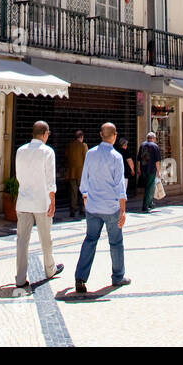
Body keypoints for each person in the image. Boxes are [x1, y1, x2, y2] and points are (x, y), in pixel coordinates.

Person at [75, 122, 130, 295]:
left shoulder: (90, 154)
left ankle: (80, 278)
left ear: (101, 135)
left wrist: (85, 197)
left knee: (90, 240)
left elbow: (85, 179)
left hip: (92, 206)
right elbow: (119, 185)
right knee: (115, 242)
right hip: (110, 207)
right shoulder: (116, 157)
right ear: (114, 136)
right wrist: (123, 210)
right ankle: (118, 276)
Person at [13, 121, 65, 290]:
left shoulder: (20, 151)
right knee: (46, 238)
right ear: (44, 134)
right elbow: (50, 180)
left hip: (23, 201)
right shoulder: (47, 152)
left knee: (22, 240)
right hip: (41, 201)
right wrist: (53, 200)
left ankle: (20, 278)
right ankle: (50, 269)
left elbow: (19, 175)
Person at [137, 132, 161, 212]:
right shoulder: (155, 146)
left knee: (150, 186)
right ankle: (145, 206)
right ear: (153, 138)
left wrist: (139, 169)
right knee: (149, 187)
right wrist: (158, 171)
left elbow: (139, 159)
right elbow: (157, 161)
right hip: (151, 169)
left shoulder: (142, 145)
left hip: (143, 169)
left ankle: (150, 203)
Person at [66, 129, 87, 218]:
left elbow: (66, 156)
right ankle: (82, 209)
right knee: (82, 192)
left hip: (71, 173)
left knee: (73, 193)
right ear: (81, 137)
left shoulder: (70, 146)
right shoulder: (83, 145)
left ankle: (72, 211)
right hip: (81, 173)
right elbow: (86, 158)